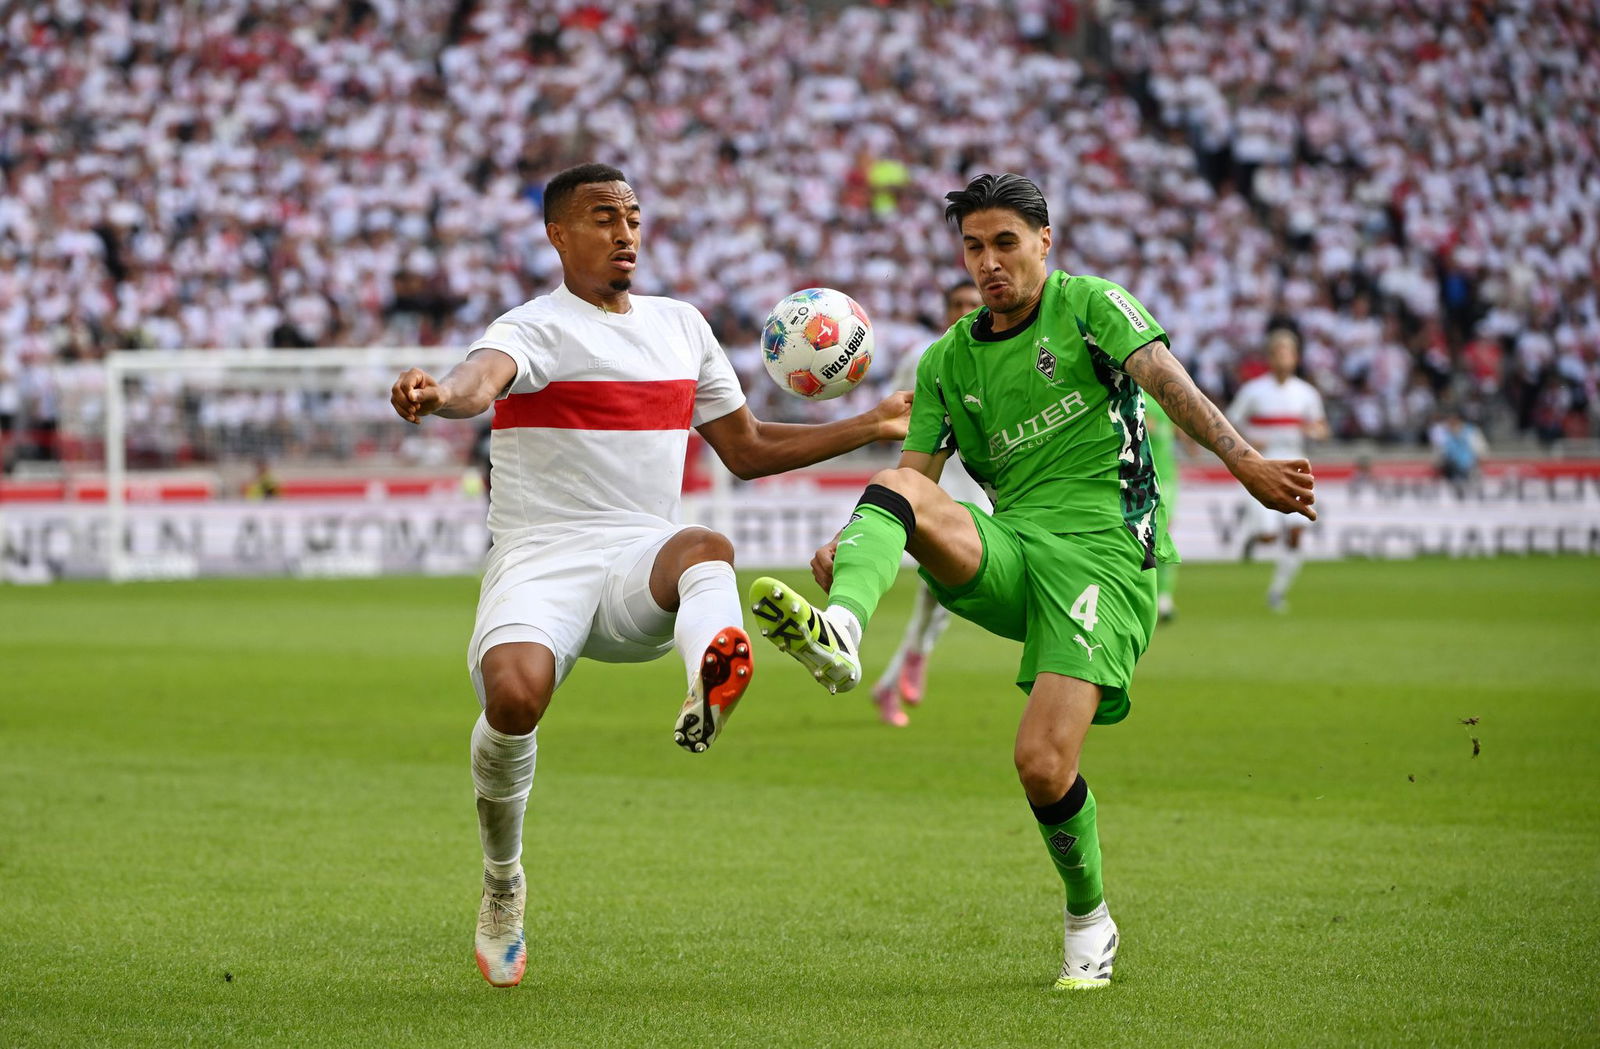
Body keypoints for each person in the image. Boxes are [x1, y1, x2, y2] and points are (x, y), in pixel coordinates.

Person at [746, 173, 1314, 990]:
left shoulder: (1089, 306)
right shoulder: (947, 360)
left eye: (1004, 242)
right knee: (902, 494)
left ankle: (1090, 916)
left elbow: (1166, 382)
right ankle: (841, 630)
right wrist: (854, 538)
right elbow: (915, 478)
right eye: (973, 247)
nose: (988, 262)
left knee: (1042, 764)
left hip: (1106, 559)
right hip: (1014, 548)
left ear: (1044, 240)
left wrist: (1246, 459)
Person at [389, 163, 911, 989]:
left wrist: (871, 425)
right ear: (558, 235)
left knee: (703, 542)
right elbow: (475, 382)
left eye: (632, 215)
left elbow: (745, 449)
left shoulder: (682, 326)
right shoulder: (530, 326)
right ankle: (502, 881)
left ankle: (715, 668)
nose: (625, 232)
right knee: (514, 699)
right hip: (541, 555)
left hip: (638, 556)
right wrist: (437, 391)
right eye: (603, 218)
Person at [869, 280, 986, 726]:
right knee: (939, 583)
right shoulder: (924, 358)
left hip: (977, 491)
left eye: (971, 304)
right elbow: (895, 414)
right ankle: (914, 656)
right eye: (956, 304)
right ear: (944, 313)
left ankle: (894, 678)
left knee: (952, 591)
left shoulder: (999, 356)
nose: (963, 311)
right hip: (933, 485)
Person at [1228, 327, 1328, 612]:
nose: (1283, 358)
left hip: (1295, 465)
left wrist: (1314, 431)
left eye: (1288, 352)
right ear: (1270, 358)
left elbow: (1322, 428)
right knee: (1270, 535)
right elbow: (1230, 422)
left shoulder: (1306, 393)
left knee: (1296, 533)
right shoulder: (1253, 390)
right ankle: (1253, 538)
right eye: (1278, 353)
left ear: (1295, 358)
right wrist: (1247, 439)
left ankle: (1277, 592)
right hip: (1261, 465)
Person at [1143, 392, 1182, 622]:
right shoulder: (1140, 397)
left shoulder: (1161, 397)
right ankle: (1155, 597)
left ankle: (1164, 597)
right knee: (1152, 539)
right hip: (1148, 479)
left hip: (1167, 477)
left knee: (1163, 536)